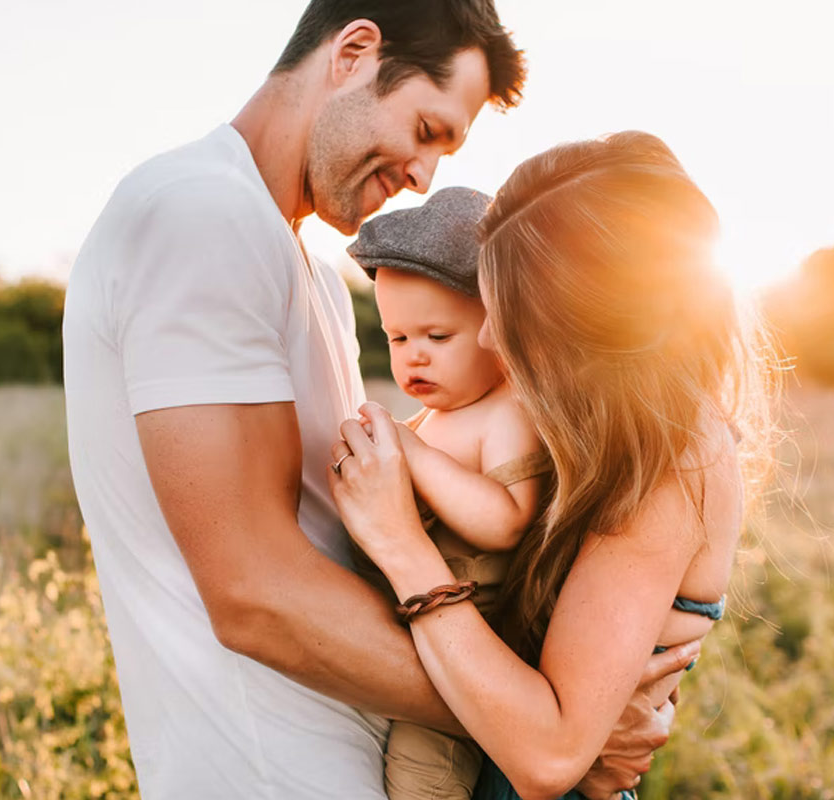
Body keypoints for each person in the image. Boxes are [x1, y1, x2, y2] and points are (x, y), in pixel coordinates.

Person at [62, 2, 698, 796]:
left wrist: (557, 716)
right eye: (427, 130)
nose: (423, 178)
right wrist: (550, 727)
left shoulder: (312, 277)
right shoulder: (201, 216)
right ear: (355, 51)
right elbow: (254, 594)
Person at [329, 130, 775, 800]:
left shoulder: (674, 456)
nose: (487, 335)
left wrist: (399, 544)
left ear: (589, 327)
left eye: (512, 315)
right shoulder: (597, 431)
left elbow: (547, 754)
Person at [348, 186, 552, 800]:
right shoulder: (432, 418)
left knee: (422, 777)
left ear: (499, 331)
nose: (415, 359)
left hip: (473, 645)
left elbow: (509, 520)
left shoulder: (505, 411)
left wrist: (413, 456)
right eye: (398, 338)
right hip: (410, 638)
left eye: (437, 337)